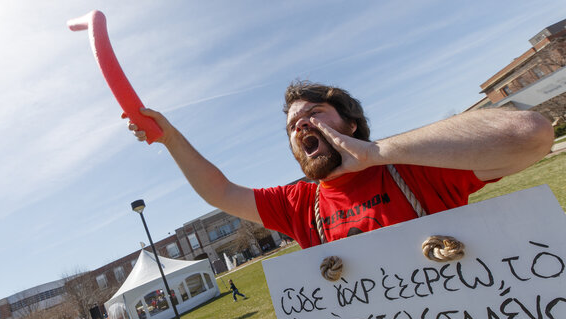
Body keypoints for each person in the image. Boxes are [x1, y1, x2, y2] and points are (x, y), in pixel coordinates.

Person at [126, 80, 552, 249]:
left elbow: (531, 134)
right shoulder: (297, 203)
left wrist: (377, 152)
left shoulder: (413, 168)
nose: (300, 126)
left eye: (314, 114)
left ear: (351, 123)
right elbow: (219, 191)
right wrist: (169, 138)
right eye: (293, 125)